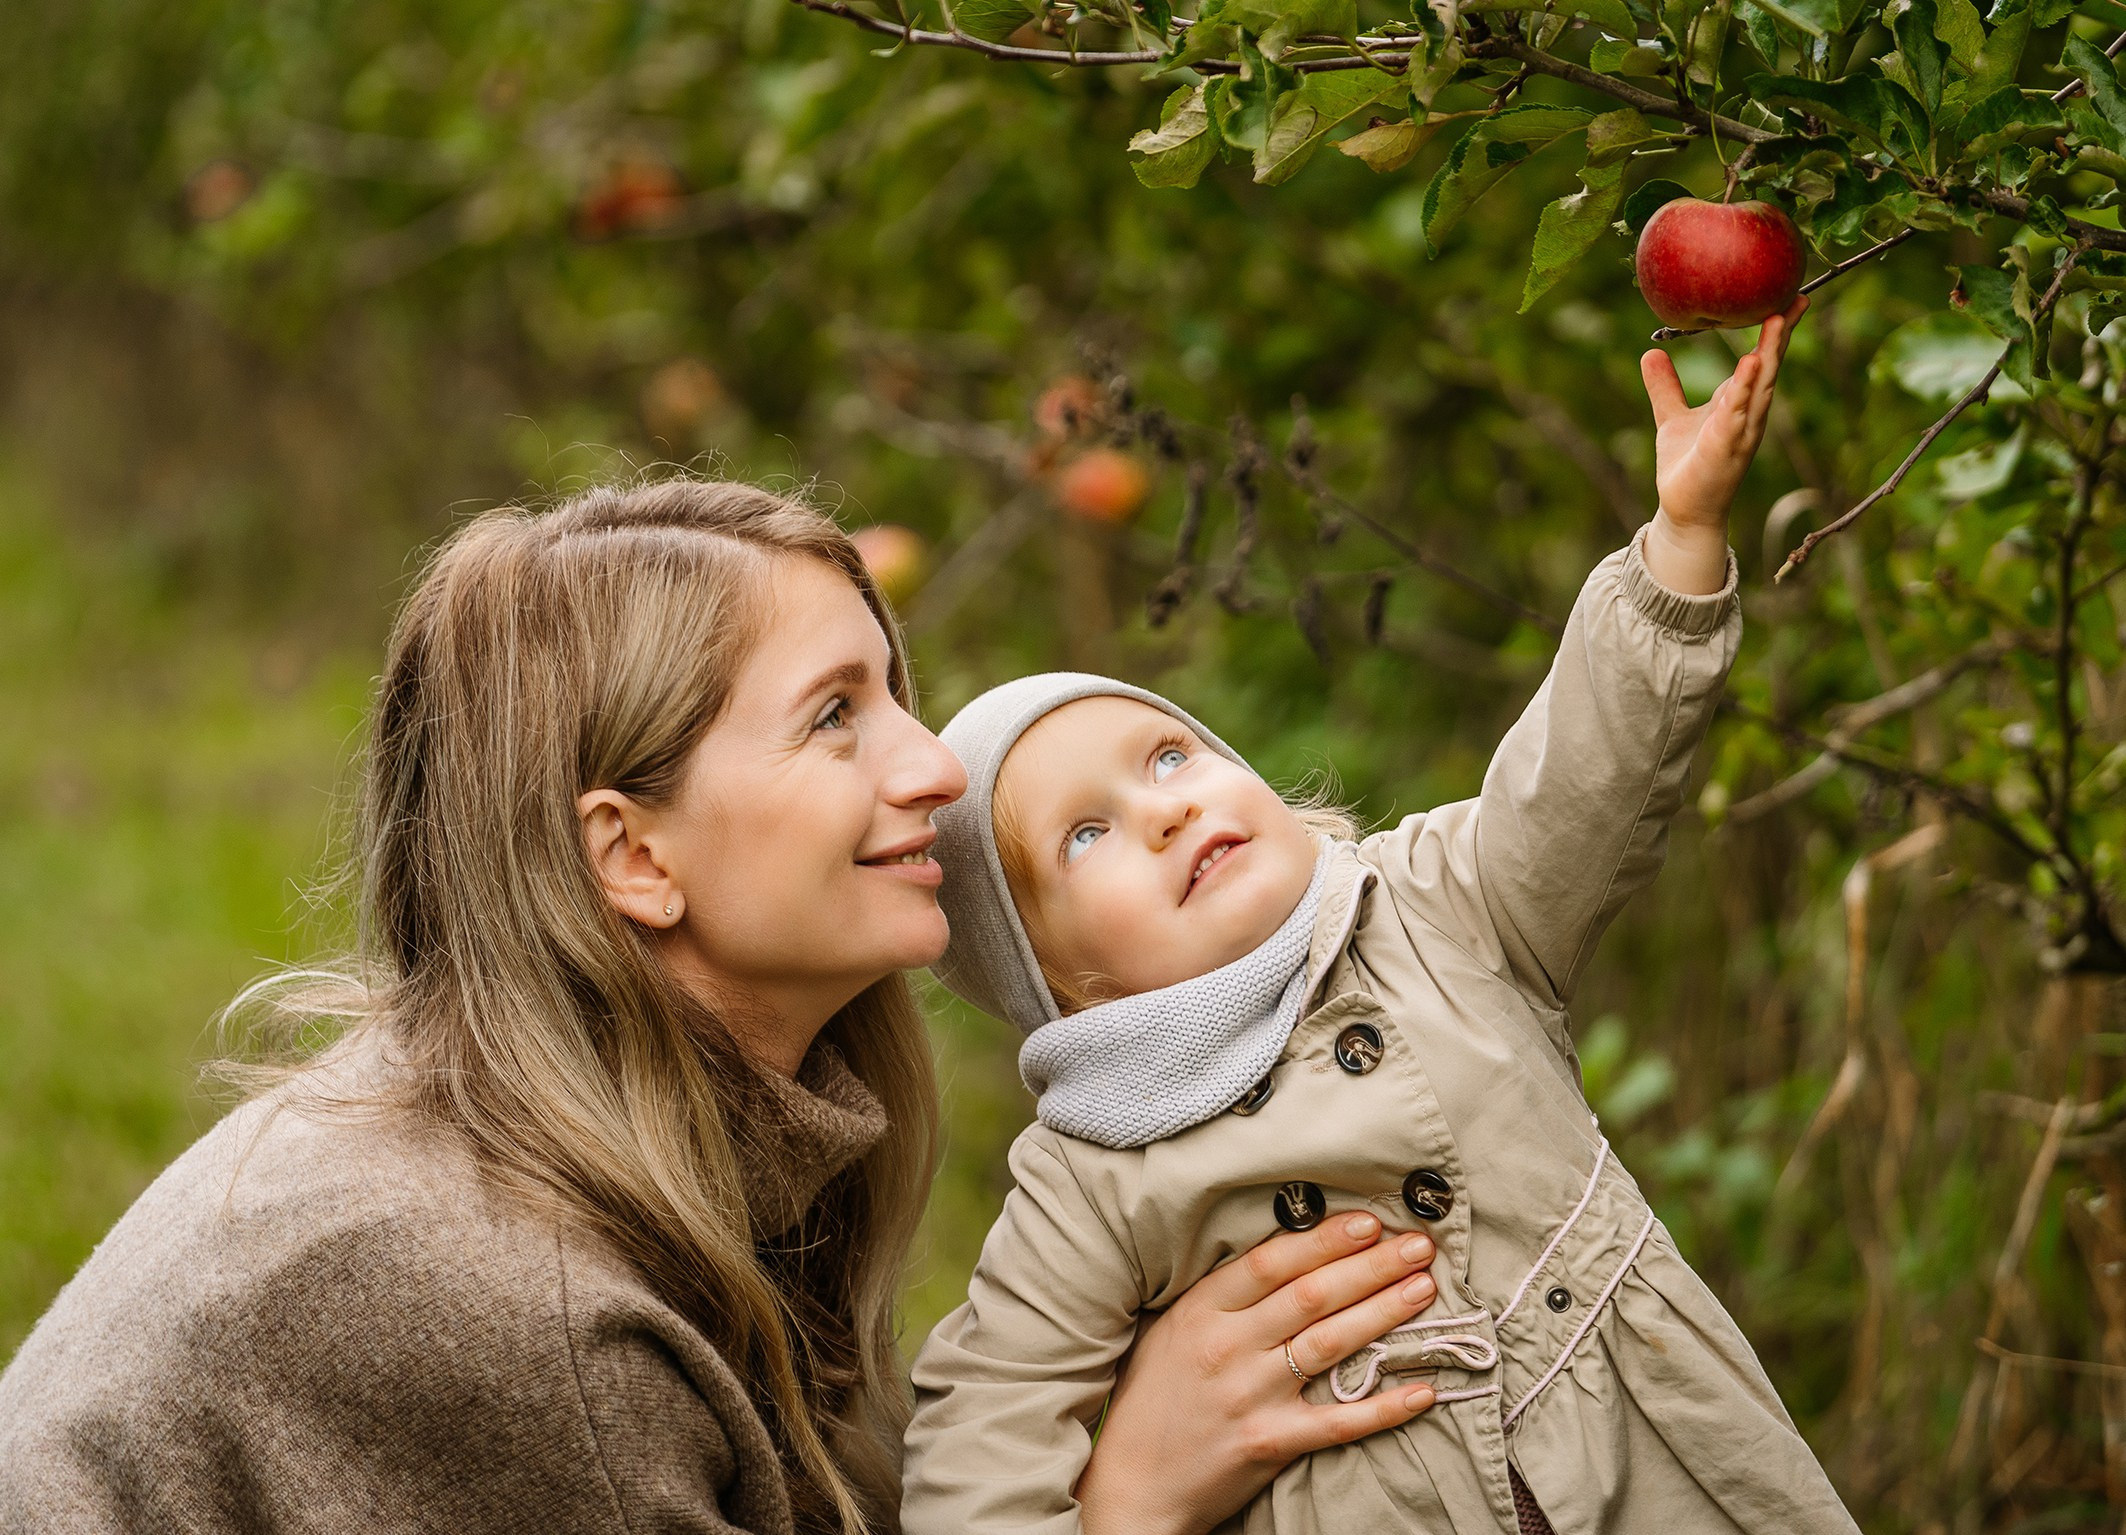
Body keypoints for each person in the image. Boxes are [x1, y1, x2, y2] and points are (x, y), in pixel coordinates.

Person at [0, 479, 1444, 1535]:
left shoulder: (638, 1129)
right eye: (835, 716)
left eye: (894, 693)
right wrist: (1122, 1495)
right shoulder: (503, 1306)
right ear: (631, 854)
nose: (935, 769)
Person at [903, 302, 1860, 1534]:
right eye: (1084, 835)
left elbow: (1582, 778)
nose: (1161, 812)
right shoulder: (1091, 1169)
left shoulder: (1431, 905)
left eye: (1168, 755)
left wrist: (1676, 542)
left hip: (1649, 1479)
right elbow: (978, 1433)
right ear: (1059, 982)